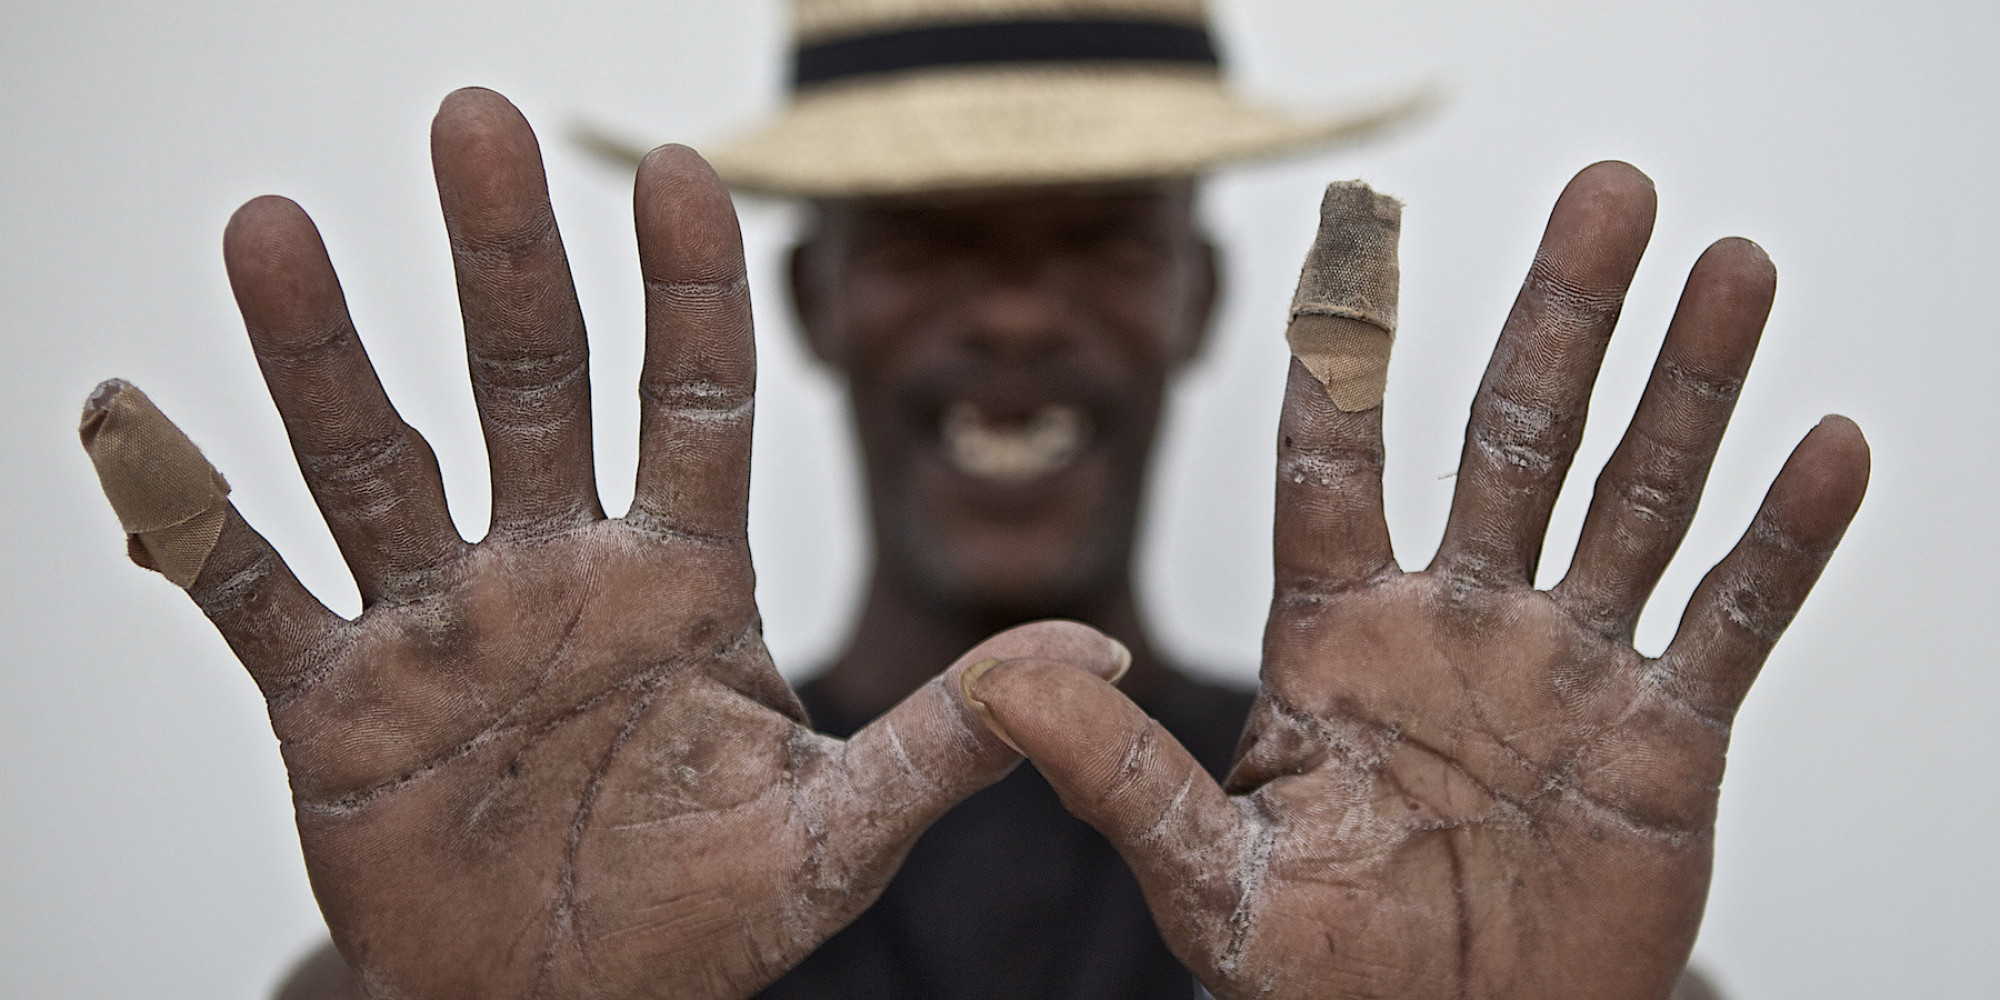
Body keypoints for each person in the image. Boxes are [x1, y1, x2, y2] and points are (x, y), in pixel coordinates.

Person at [79, 1, 1868, 999]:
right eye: (936, 238)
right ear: (816, 300)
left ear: (1200, 296)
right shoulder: (576, 831)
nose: (1016, 312)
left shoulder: (1430, 843)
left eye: (1097, 236)